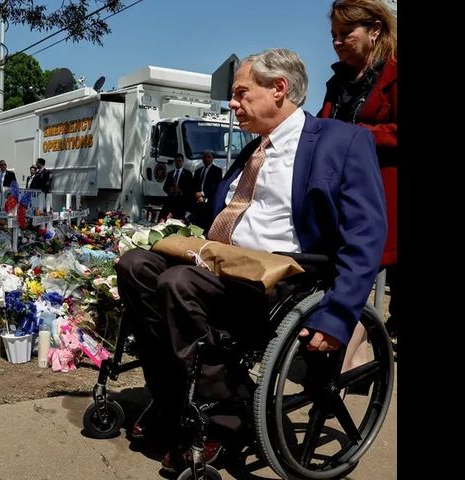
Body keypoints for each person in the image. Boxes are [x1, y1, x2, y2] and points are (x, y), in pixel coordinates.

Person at [115, 48, 386, 473]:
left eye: (241, 92)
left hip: (281, 278)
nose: (232, 103)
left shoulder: (341, 141)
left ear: (278, 88)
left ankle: (223, 418)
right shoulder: (253, 150)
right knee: (135, 266)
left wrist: (338, 315)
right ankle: (173, 399)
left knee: (178, 283)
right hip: (221, 263)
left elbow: (366, 235)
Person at [318, 0, 398, 351]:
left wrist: (359, 136)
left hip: (385, 196)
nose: (337, 42)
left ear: (375, 30)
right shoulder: (337, 81)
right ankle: (350, 356)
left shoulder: (394, 74)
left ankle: (356, 355)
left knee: (363, 273)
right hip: (340, 195)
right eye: (333, 35)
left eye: (346, 33)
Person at [191, 150, 223, 230]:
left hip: (209, 201)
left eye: (209, 157)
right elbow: (194, 185)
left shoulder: (217, 171)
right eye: (204, 157)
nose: (206, 159)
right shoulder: (198, 171)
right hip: (197, 201)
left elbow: (216, 187)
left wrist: (203, 194)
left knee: (206, 224)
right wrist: (198, 195)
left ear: (212, 158)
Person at [158, 153, 193, 222]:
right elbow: (165, 187)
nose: (178, 163)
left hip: (181, 202)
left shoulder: (188, 174)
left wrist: (180, 190)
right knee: (163, 219)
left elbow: (190, 188)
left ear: (183, 161)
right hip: (170, 201)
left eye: (180, 161)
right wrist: (169, 189)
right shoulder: (170, 174)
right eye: (176, 161)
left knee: (178, 221)